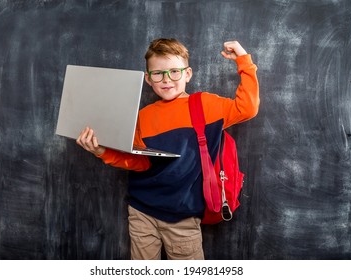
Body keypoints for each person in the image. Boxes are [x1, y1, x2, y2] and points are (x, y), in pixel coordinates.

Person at [76, 38, 259, 260]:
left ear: (188, 74)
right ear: (148, 79)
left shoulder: (206, 105)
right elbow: (139, 162)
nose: (166, 80)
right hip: (141, 211)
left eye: (174, 72)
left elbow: (247, 108)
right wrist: (100, 151)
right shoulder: (143, 117)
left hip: (182, 217)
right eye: (158, 74)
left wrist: (242, 58)